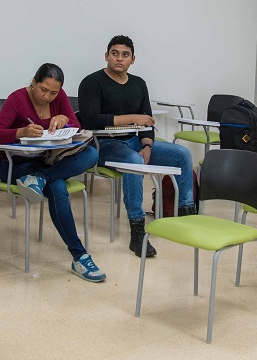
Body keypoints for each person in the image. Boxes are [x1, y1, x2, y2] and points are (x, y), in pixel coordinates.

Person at [78, 35, 196, 258]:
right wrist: (133, 118)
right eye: (114, 53)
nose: (119, 59)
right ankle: (137, 231)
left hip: (135, 141)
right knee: (134, 162)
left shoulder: (139, 84)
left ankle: (186, 215)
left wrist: (147, 146)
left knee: (182, 154)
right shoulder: (92, 82)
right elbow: (91, 120)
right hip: (105, 144)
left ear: (133, 59)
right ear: (106, 56)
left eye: (125, 55)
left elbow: (147, 121)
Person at [0, 63, 105, 283]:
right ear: (34, 81)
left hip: (46, 162)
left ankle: (40, 179)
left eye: (53, 92)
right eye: (43, 90)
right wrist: (21, 132)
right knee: (58, 187)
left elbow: (76, 126)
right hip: (15, 166)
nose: (47, 97)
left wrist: (65, 120)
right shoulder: (17, 99)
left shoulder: (58, 98)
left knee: (91, 154)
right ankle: (80, 256)